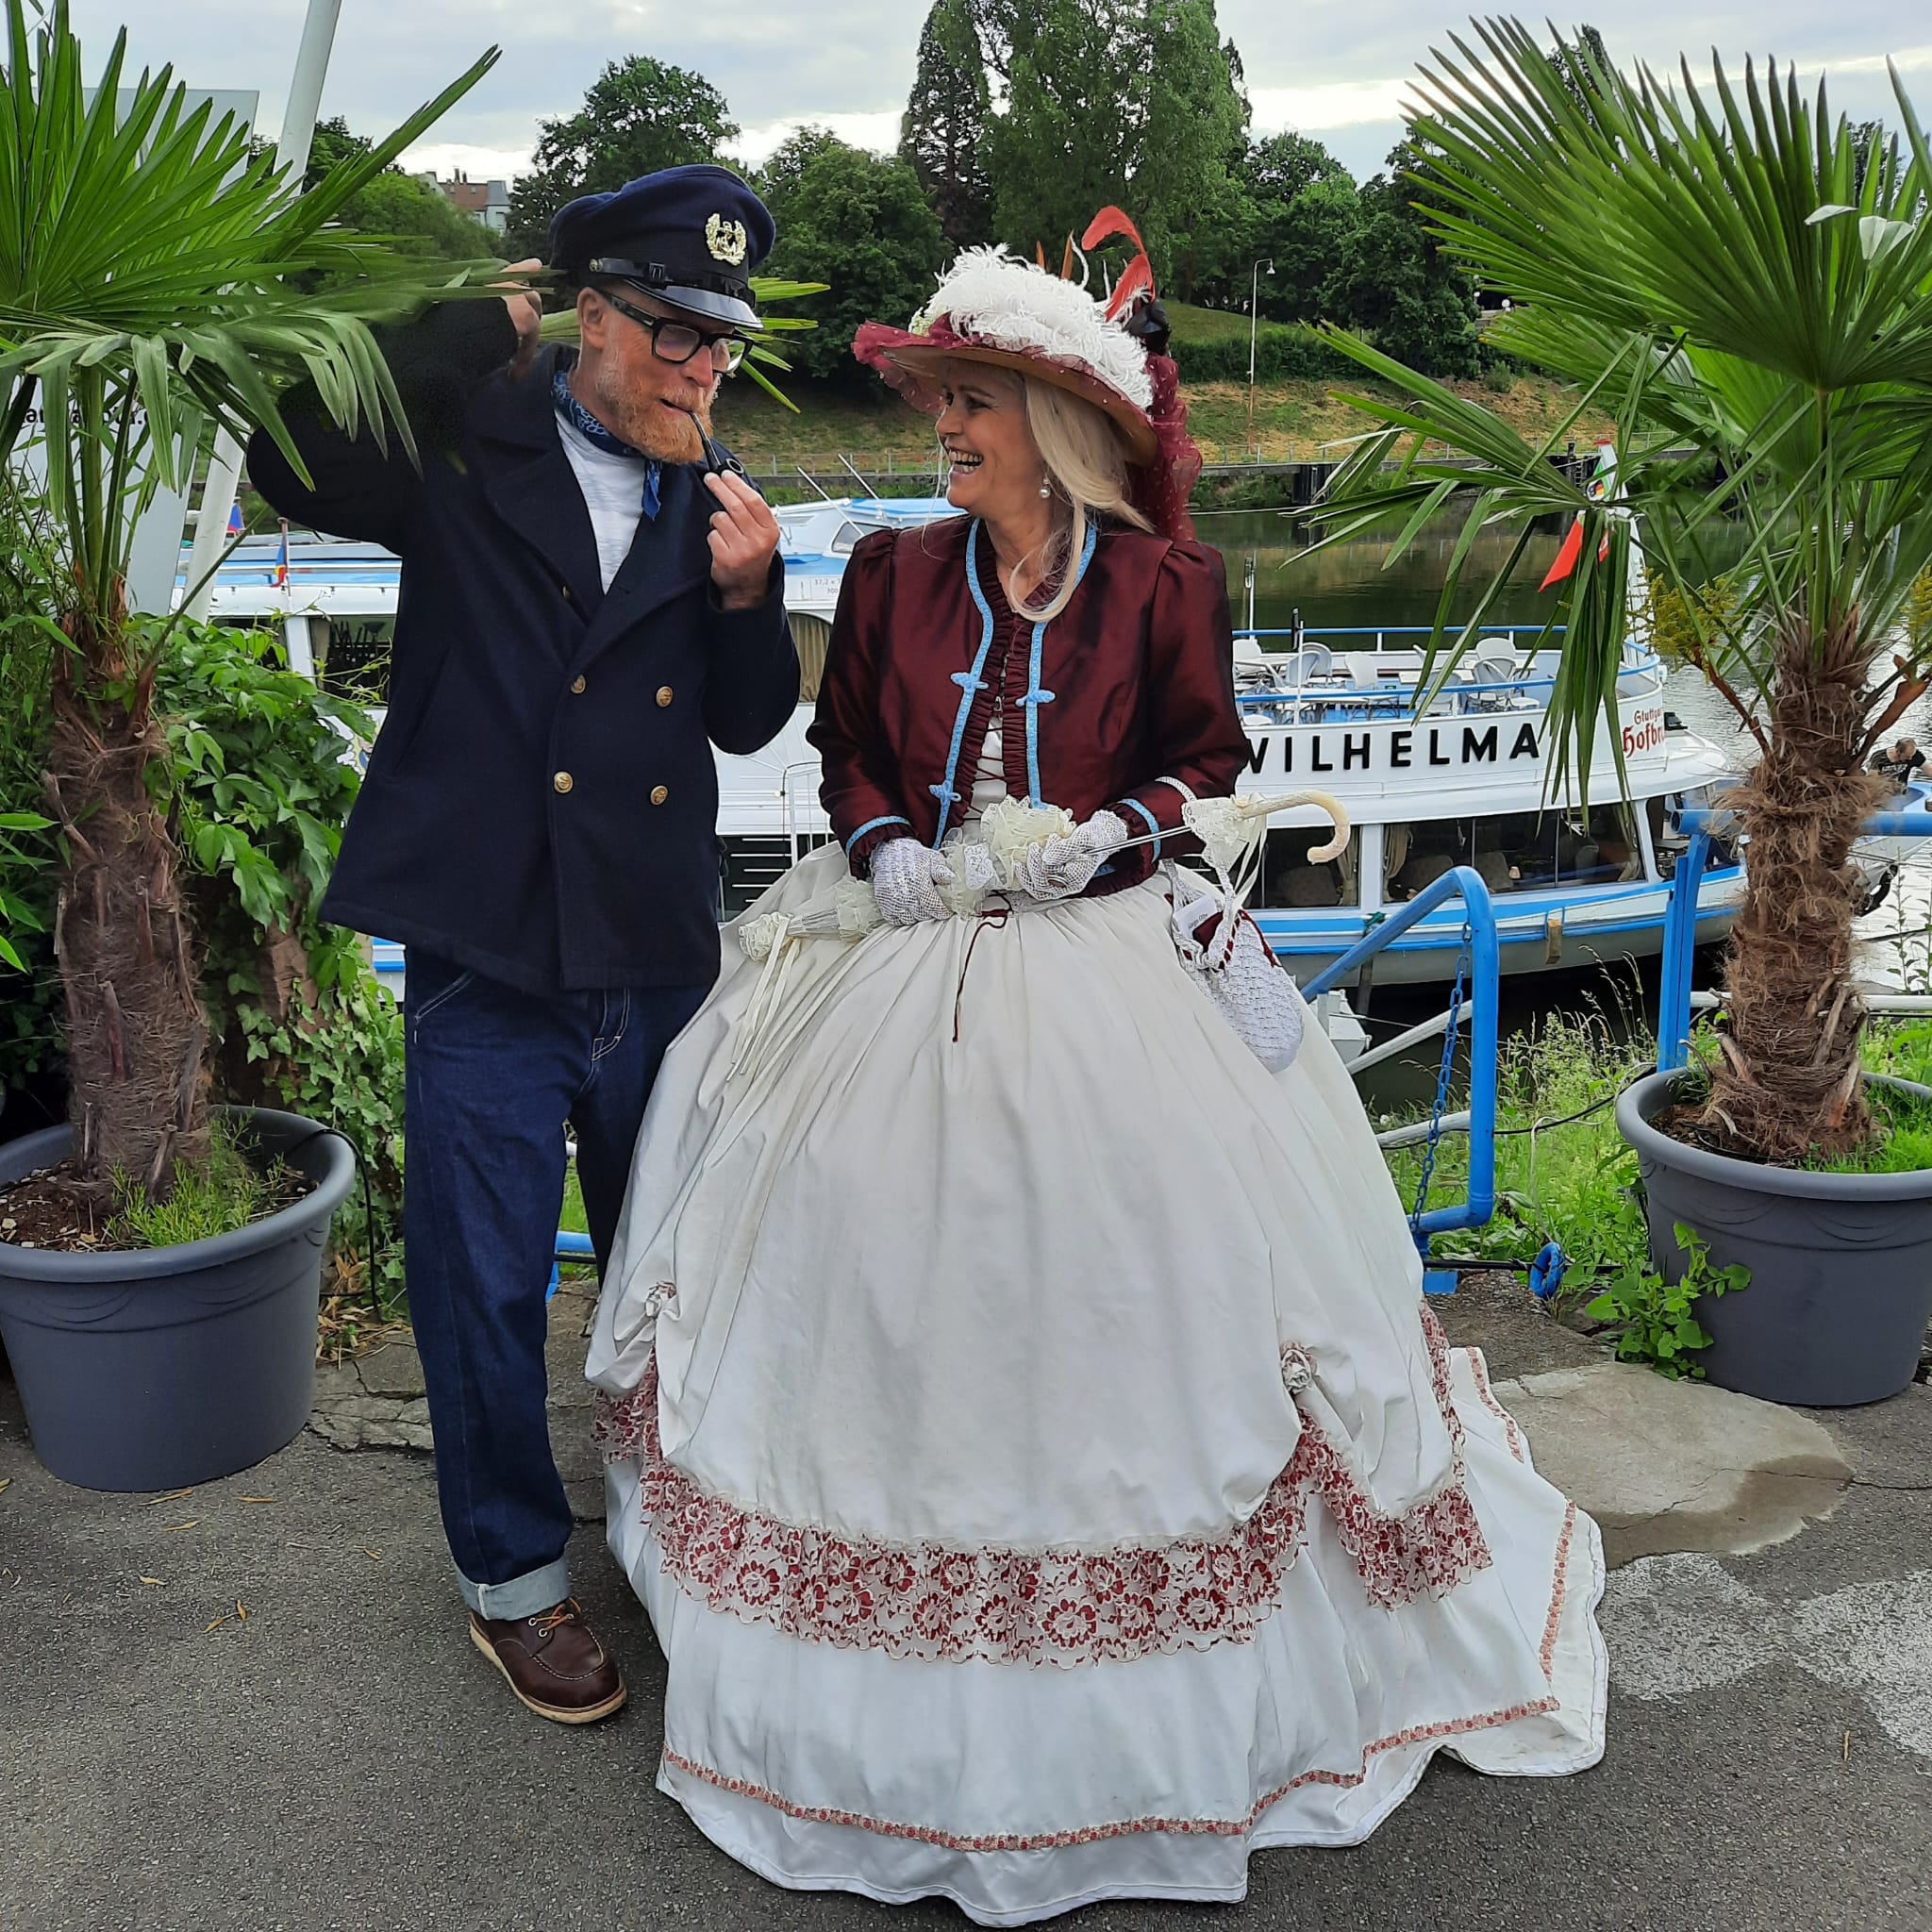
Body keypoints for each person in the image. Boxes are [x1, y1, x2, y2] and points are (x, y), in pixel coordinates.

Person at [587, 241, 1606, 1919]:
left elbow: (1205, 756)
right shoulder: (902, 575)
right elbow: (847, 750)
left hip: (1111, 956)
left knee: (1144, 1240)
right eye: (944, 405)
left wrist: (1116, 832)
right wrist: (881, 846)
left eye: (968, 405)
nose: (944, 433)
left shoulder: (1160, 590)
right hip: (903, 949)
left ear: (1056, 426)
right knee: (851, 1215)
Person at [248, 166, 798, 1724]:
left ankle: (670, 1531)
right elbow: (282, 454)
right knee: (481, 1283)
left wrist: (754, 598)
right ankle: (513, 1583)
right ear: (593, 317)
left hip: (650, 945)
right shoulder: (461, 444)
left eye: (724, 345)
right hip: (488, 941)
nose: (706, 371)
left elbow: (752, 721)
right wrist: (446, 332)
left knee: (666, 1272)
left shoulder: (717, 487)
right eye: (681, 337)